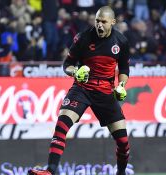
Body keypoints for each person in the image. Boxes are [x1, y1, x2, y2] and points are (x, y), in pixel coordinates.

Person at [28, 6, 130, 175]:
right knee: (61, 125)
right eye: (97, 21)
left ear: (112, 22)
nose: (99, 25)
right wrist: (75, 72)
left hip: (105, 91)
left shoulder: (121, 42)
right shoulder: (83, 38)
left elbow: (125, 69)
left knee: (123, 142)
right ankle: (50, 171)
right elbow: (66, 65)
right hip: (82, 88)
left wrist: (121, 85)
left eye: (103, 22)